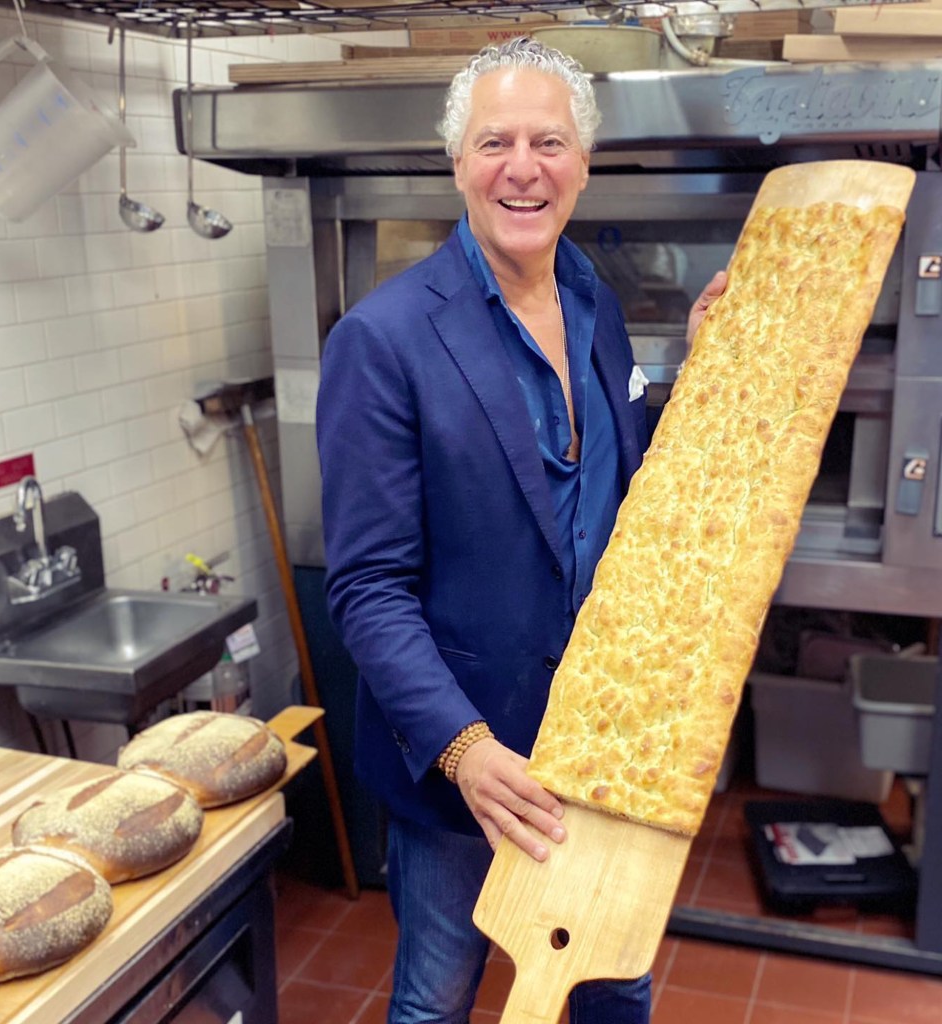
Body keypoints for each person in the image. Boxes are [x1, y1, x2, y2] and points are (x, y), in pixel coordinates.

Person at [316, 37, 726, 1024]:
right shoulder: (382, 339)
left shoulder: (594, 303)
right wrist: (461, 746)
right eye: (494, 141)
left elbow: (613, 486)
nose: (522, 167)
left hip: (602, 740)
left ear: (582, 162)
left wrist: (703, 384)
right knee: (437, 993)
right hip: (471, 755)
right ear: (456, 162)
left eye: (549, 141)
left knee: (609, 978)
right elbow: (366, 586)